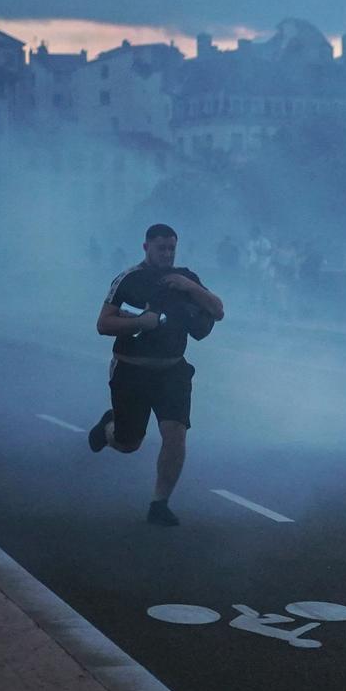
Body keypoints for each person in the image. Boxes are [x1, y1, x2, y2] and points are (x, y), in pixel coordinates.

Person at [87, 224, 225, 527]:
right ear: (146, 247)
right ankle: (107, 427)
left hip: (172, 371)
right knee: (128, 443)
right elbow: (103, 324)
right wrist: (140, 323)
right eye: (161, 248)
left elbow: (217, 310)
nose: (167, 253)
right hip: (131, 371)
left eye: (171, 248)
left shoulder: (186, 278)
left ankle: (159, 503)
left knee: (175, 435)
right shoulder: (129, 279)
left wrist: (189, 287)